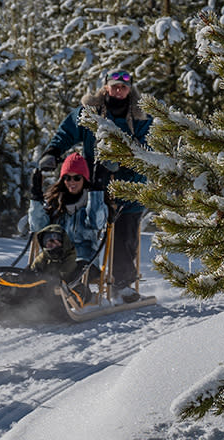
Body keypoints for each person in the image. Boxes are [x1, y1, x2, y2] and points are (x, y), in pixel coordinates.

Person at [37, 69, 152, 304]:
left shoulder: (141, 116)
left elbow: (148, 149)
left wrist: (122, 159)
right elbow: (66, 132)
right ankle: (73, 275)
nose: (119, 91)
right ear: (106, 87)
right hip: (93, 186)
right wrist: (52, 152)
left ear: (130, 89)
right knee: (79, 228)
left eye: (123, 87)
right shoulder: (90, 112)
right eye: (114, 86)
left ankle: (122, 284)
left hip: (129, 186)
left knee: (123, 233)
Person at [28, 153, 108, 300]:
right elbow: (38, 227)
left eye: (77, 177)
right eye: (67, 177)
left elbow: (97, 222)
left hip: (85, 260)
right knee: (35, 273)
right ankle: (27, 300)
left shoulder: (91, 203)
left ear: (84, 179)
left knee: (70, 274)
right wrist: (36, 197)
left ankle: (79, 296)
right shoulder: (55, 202)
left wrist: (97, 190)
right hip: (56, 258)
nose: (72, 181)